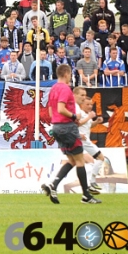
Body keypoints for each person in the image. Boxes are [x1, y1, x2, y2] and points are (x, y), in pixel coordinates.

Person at [41, 64, 101, 204]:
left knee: (72, 160)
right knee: (80, 161)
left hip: (56, 127)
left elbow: (51, 112)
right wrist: (74, 117)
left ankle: (53, 185)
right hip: (67, 126)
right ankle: (86, 195)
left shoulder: (53, 89)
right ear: (67, 74)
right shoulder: (65, 89)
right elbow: (61, 109)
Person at [77, 95, 105, 194]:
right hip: (79, 142)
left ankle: (91, 183)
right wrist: (78, 134)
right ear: (81, 104)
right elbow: (76, 124)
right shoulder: (79, 113)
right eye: (87, 104)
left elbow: (88, 125)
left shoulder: (87, 114)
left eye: (91, 104)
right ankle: (90, 184)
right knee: (93, 160)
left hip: (86, 142)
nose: (90, 106)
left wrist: (96, 121)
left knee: (99, 159)